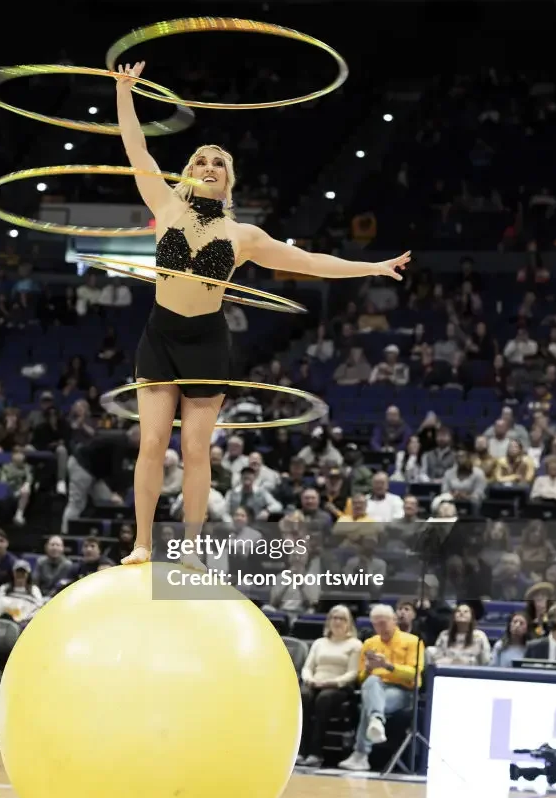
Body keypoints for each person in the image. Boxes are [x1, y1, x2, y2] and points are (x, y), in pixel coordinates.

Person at [113, 62, 411, 565]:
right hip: (160, 336)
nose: (208, 165)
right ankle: (142, 543)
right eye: (201, 159)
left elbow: (310, 262)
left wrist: (371, 265)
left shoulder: (243, 236)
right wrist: (124, 93)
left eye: (219, 163)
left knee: (194, 452)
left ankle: (188, 548)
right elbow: (136, 148)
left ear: (228, 180)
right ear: (188, 171)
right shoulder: (163, 205)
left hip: (206, 341)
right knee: (152, 443)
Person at [339, 603, 423, 772]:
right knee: (371, 683)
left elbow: (415, 675)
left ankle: (361, 754)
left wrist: (388, 666)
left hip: (403, 691)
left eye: (383, 622)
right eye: (376, 623)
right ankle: (376, 720)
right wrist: (369, 669)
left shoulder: (413, 641)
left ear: (394, 620)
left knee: (369, 704)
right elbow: (361, 678)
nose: (380, 627)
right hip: (375, 686)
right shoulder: (370, 643)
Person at [298, 605, 362, 767]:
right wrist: (309, 679)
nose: (337, 621)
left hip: (339, 686)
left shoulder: (355, 644)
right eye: (334, 618)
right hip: (316, 682)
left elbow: (352, 673)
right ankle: (300, 751)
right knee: (303, 695)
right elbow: (307, 667)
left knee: (324, 699)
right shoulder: (319, 643)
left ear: (349, 623)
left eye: (342, 618)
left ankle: (315, 752)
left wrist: (332, 682)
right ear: (329, 621)